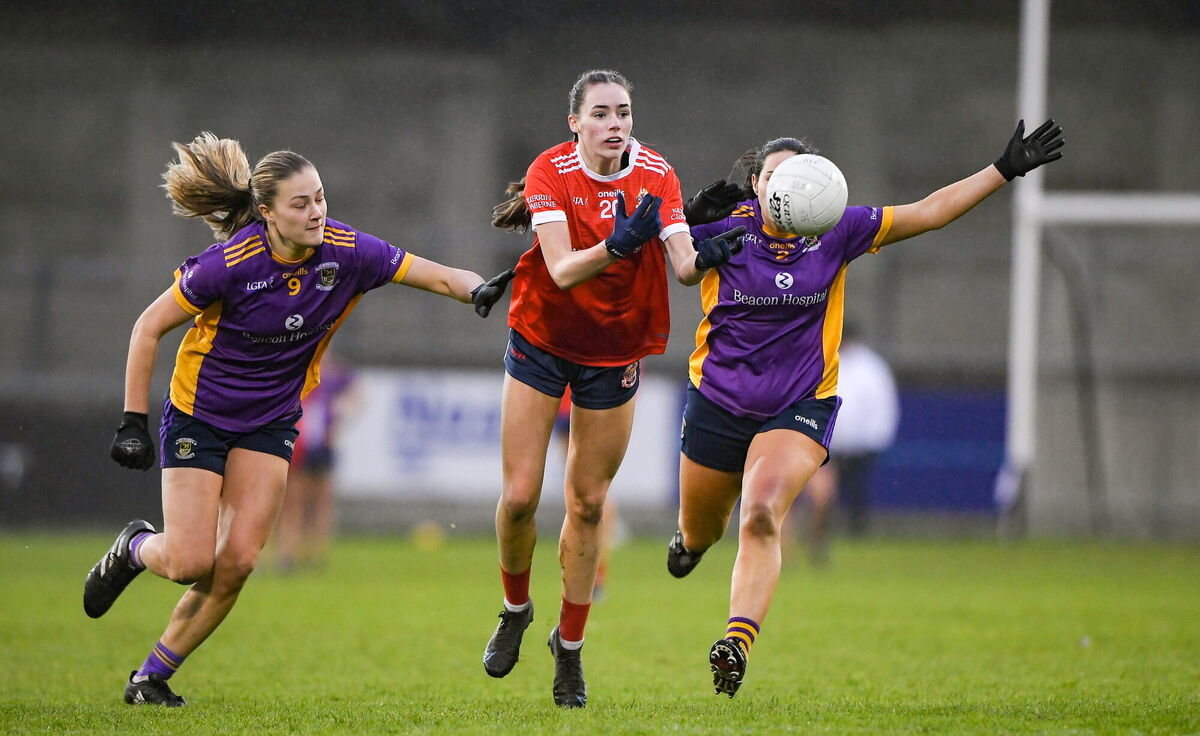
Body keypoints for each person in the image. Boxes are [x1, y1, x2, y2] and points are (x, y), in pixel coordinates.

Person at [84, 132, 515, 707]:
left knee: (236, 563)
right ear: (266, 213)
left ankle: (151, 677)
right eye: (300, 203)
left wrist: (476, 289)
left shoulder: (348, 251)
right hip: (200, 415)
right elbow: (146, 328)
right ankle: (136, 546)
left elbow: (433, 274)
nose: (316, 213)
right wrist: (132, 421)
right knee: (191, 560)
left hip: (271, 420)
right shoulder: (228, 264)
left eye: (320, 198)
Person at [668, 119, 1065, 697]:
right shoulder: (723, 227)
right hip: (719, 401)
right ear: (754, 183)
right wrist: (687, 216)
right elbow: (653, 237)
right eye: (773, 175)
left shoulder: (838, 229)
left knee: (760, 512)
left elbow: (927, 211)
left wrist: (1002, 169)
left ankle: (736, 642)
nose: (787, 185)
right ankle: (689, 544)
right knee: (701, 532)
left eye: (798, 175)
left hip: (799, 404)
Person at [482, 69, 745, 708]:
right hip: (542, 340)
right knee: (519, 498)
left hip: (615, 351)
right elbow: (564, 269)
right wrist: (618, 242)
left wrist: (712, 243)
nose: (615, 125)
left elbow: (682, 267)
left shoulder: (657, 173)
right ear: (575, 123)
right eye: (600, 113)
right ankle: (515, 608)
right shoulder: (550, 171)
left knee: (589, 504)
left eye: (623, 113)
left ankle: (568, 652)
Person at [797, 322, 900, 565]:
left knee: (850, 491)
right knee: (820, 494)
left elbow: (881, 405)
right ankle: (810, 537)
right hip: (823, 443)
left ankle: (845, 533)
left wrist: (876, 438)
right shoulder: (819, 359)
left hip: (859, 445)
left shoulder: (870, 367)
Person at [273, 354, 356, 573]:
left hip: (320, 446)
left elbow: (356, 396)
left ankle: (315, 554)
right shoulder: (297, 374)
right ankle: (289, 553)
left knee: (319, 502)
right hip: (299, 444)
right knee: (295, 503)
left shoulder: (332, 376)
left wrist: (340, 418)